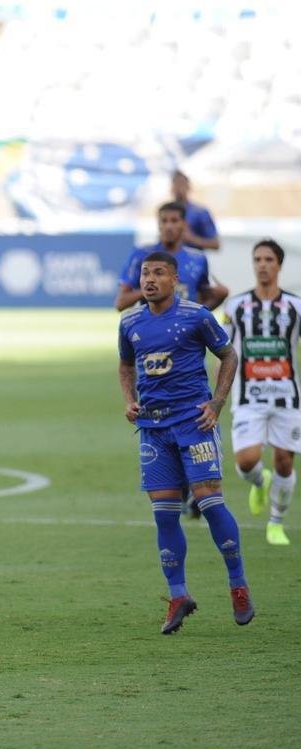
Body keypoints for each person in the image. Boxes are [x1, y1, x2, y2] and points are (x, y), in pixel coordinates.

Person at [118, 250, 254, 634]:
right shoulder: (130, 322)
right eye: (145, 273)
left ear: (174, 279)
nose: (149, 279)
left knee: (209, 503)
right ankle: (179, 595)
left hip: (194, 423)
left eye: (158, 273)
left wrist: (217, 402)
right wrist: (129, 400)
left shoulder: (196, 316)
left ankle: (238, 585)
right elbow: (126, 365)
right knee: (164, 514)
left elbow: (229, 356)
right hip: (154, 429)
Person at [223, 239, 298, 546]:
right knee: (246, 461)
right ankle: (259, 481)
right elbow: (224, 352)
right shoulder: (235, 306)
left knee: (284, 462)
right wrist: (217, 394)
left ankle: (276, 523)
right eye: (257, 259)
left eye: (268, 259)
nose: (262, 265)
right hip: (248, 397)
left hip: (287, 396)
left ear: (279, 265)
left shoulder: (295, 306)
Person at [114, 202, 227, 312]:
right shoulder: (141, 254)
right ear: (158, 224)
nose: (168, 226)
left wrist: (219, 297)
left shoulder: (198, 259)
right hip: (154, 323)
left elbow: (201, 305)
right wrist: (151, 288)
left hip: (185, 324)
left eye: (174, 221)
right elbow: (121, 303)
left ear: (184, 224)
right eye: (164, 221)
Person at [171, 170, 221, 251]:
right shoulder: (165, 212)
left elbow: (215, 244)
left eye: (182, 184)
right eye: (175, 184)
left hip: (193, 257)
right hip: (170, 258)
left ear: (188, 187)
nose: (179, 188)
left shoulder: (200, 212)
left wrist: (191, 239)